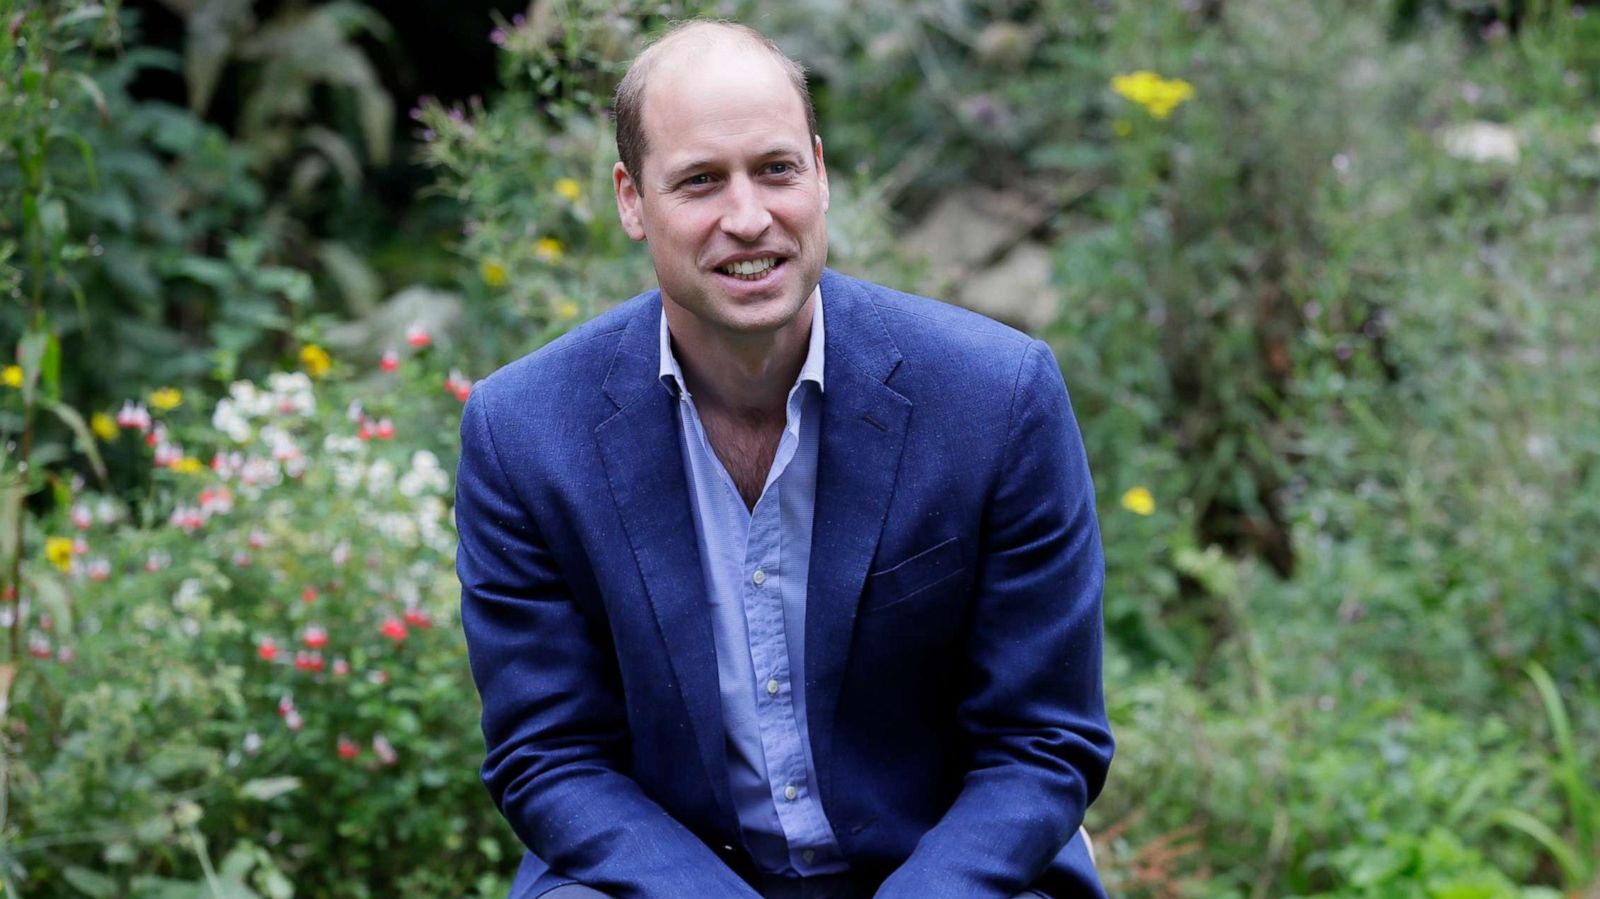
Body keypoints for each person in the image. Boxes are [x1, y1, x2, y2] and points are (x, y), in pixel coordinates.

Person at [455, 19, 1113, 899]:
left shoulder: (998, 397)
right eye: (699, 181)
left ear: (821, 172)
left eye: (775, 169)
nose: (748, 216)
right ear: (629, 198)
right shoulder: (523, 431)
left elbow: (1044, 741)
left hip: (947, 875)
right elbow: (551, 754)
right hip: (666, 882)